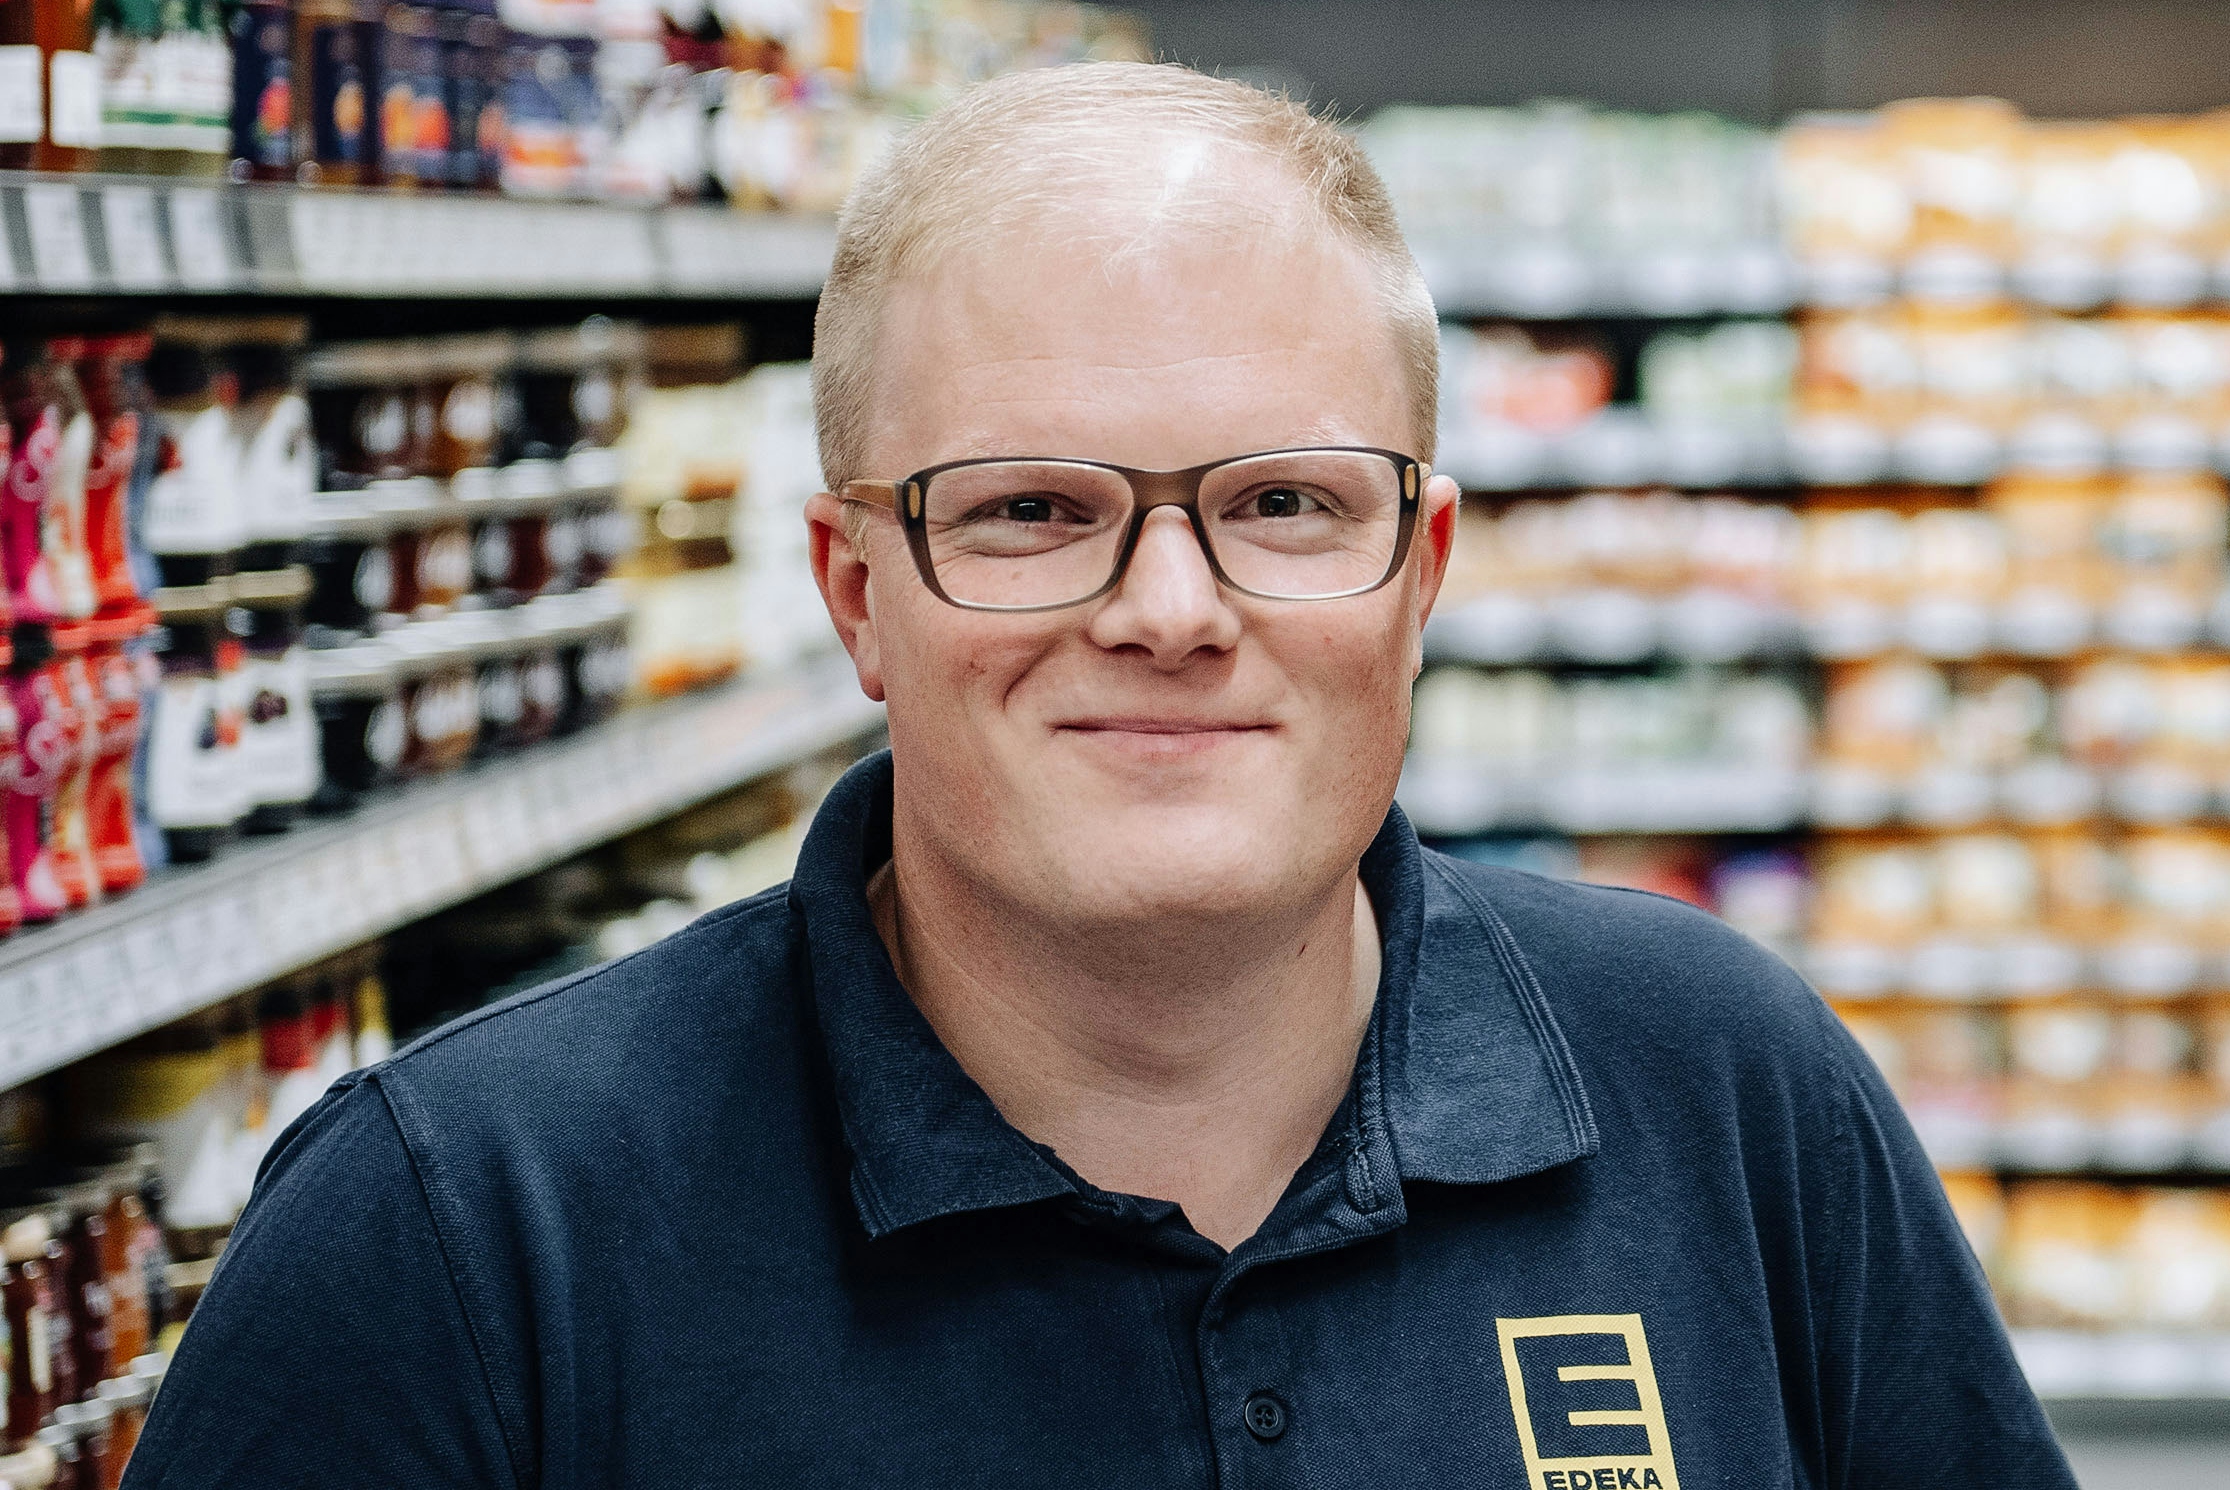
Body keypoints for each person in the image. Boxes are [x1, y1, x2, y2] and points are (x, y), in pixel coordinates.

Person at [125, 63, 2075, 1489]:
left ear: (1420, 579)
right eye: (1033, 507)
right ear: (852, 592)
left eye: (1285, 502)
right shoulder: (457, 1230)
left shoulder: (1729, 1097)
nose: (1167, 606)